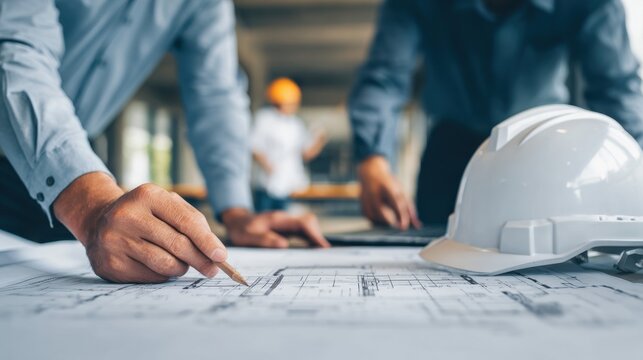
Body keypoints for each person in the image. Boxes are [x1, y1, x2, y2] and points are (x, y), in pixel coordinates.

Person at [0, 0, 329, 284]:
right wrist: (92, 204)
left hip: (70, 170)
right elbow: (13, 50)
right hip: (68, 177)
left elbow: (215, 97)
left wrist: (237, 213)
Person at [349, 0, 643, 230]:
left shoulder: (591, 3)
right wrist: (372, 159)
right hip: (451, 158)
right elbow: (384, 77)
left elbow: (616, 89)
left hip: (545, 158)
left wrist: (634, 172)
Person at [251, 78, 327, 212]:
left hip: (289, 187)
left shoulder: (296, 125)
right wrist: (268, 166)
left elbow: (306, 154)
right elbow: (254, 147)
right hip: (265, 186)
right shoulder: (264, 119)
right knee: (264, 222)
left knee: (287, 224)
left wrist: (319, 140)